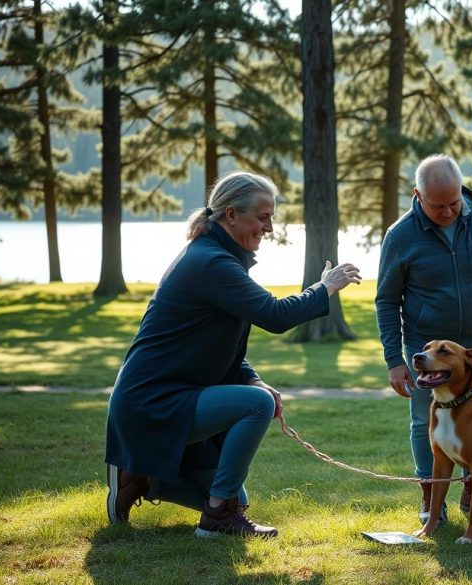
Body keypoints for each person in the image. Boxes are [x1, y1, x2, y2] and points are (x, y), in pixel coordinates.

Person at [105, 171, 362, 538]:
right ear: (230, 215)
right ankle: (216, 520)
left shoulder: (216, 258)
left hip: (175, 396)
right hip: (152, 402)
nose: (270, 227)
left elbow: (217, 348)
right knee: (255, 406)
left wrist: (253, 378)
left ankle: (143, 478)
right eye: (262, 217)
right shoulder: (211, 263)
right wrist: (324, 288)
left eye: (270, 217)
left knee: (236, 495)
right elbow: (275, 315)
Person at [376, 154, 472, 524]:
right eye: (437, 205)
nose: (448, 212)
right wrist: (394, 360)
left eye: (454, 202)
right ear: (418, 195)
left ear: (462, 190)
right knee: (423, 422)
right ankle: (432, 497)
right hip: (425, 352)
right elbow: (386, 300)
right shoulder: (400, 235)